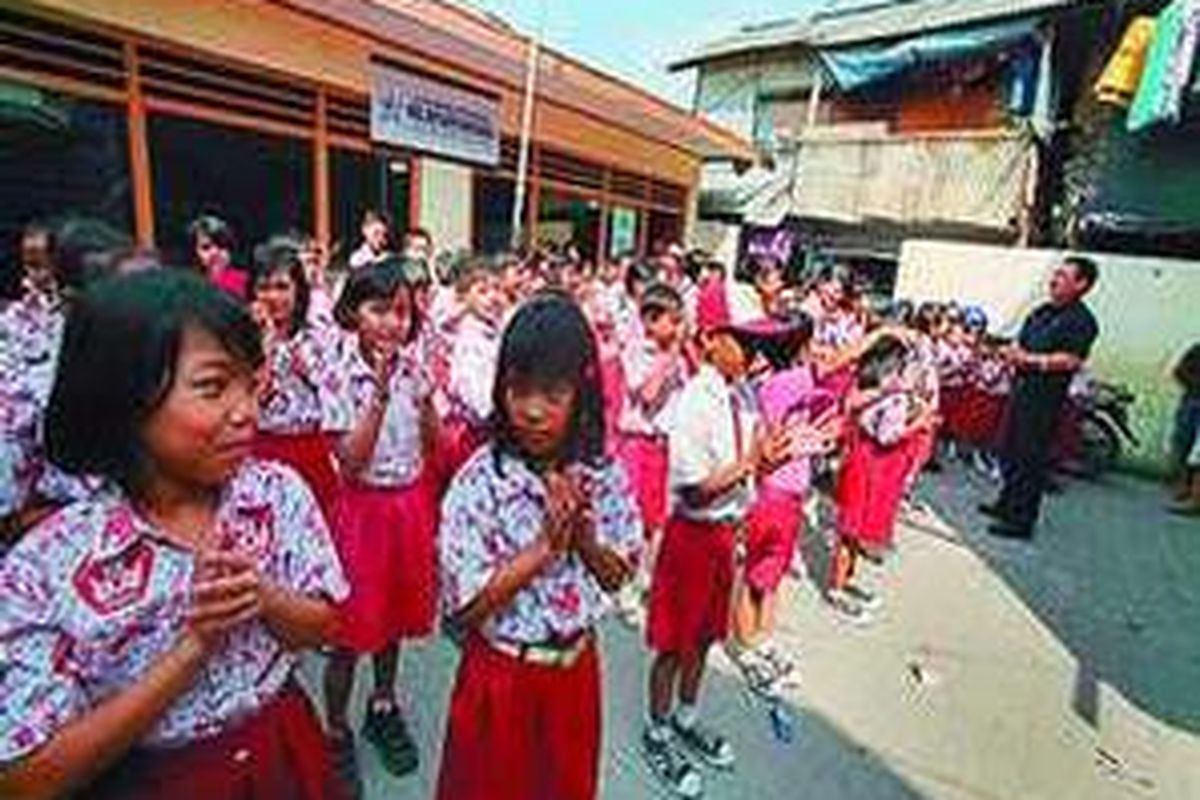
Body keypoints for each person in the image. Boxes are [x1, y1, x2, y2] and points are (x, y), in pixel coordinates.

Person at [0, 270, 348, 799]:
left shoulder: (274, 492)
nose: (247, 412)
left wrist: (262, 596)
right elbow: (25, 780)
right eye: (213, 387)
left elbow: (325, 625)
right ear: (124, 398)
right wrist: (193, 648)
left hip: (283, 748)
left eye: (250, 385)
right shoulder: (47, 564)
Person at [436, 292, 642, 800]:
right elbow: (466, 609)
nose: (531, 410)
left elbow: (618, 576)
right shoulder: (480, 479)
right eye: (518, 389)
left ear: (583, 392)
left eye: (552, 395)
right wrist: (544, 550)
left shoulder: (603, 472)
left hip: (574, 675)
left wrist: (587, 540)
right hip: (501, 678)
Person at [643, 280, 789, 799]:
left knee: (705, 636)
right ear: (708, 340)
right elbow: (696, 490)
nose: (754, 352)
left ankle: (687, 715)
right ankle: (657, 729)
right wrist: (751, 463)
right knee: (671, 644)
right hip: (691, 537)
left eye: (757, 342)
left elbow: (755, 461)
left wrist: (778, 451)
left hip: (727, 535)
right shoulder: (692, 403)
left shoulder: (743, 395)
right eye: (743, 341)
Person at [322, 264, 438, 796]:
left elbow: (432, 446)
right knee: (349, 631)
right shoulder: (337, 370)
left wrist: (427, 399)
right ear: (352, 313)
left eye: (401, 311)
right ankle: (335, 728)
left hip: (408, 505)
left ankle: (383, 704)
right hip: (363, 511)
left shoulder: (416, 369)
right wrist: (382, 393)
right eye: (379, 309)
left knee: (395, 618)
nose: (392, 322)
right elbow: (350, 462)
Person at [732, 311, 838, 678]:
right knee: (753, 573)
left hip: (790, 494)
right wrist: (881, 335)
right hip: (772, 493)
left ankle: (764, 640)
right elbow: (841, 362)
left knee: (772, 573)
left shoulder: (788, 385)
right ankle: (747, 647)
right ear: (802, 347)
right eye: (815, 342)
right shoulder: (785, 382)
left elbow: (829, 406)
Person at [981, 257, 1100, 539]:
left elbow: (1071, 360)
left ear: (1082, 284)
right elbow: (1021, 343)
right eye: (1055, 273)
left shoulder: (1082, 321)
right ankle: (1005, 505)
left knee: (1030, 460)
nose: (1054, 279)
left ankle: (1021, 522)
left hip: (1045, 401)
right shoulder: (1042, 312)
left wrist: (1031, 361)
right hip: (1020, 391)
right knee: (1010, 450)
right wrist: (1008, 352)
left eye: (1063, 275)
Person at [829, 335, 936, 622]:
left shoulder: (878, 388)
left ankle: (846, 580)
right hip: (870, 464)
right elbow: (887, 436)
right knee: (850, 529)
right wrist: (917, 424)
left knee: (855, 528)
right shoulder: (884, 392)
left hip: (868, 462)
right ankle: (837, 587)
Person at [249, 241, 352, 522]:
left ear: (299, 290)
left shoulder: (318, 337)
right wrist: (265, 347)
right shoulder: (242, 338)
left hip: (308, 453)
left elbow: (339, 406)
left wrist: (311, 374)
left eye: (282, 287)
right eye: (264, 287)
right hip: (259, 451)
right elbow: (250, 402)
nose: (272, 296)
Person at [614, 283, 689, 624]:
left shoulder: (675, 354)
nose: (676, 328)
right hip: (637, 445)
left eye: (679, 320)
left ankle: (644, 578)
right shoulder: (637, 350)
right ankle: (624, 587)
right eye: (671, 321)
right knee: (633, 520)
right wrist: (671, 353)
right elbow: (647, 393)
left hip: (662, 445)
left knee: (655, 520)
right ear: (649, 320)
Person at [439, 254, 503, 486]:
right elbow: (481, 403)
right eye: (483, 291)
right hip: (478, 441)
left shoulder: (497, 332)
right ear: (464, 297)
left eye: (497, 288)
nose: (493, 297)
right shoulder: (468, 343)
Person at [1167, 342, 1200, 515]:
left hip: (1192, 400)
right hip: (1193, 400)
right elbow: (1179, 372)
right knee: (1182, 445)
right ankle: (1183, 488)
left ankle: (1193, 498)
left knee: (1195, 454)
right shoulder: (1197, 350)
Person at [187, 215, 247, 300]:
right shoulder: (189, 287)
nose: (215, 253)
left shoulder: (245, 282)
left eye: (221, 245)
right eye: (206, 247)